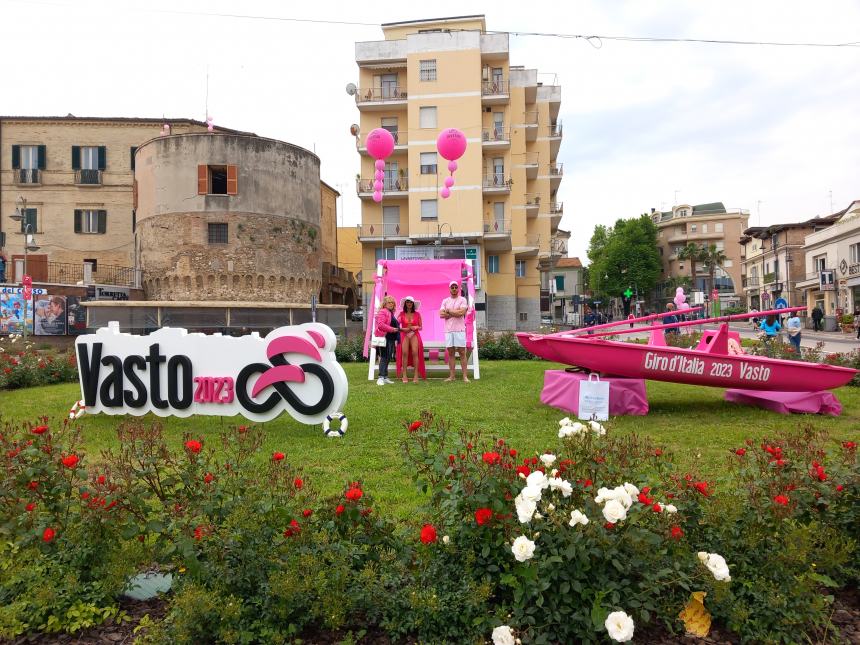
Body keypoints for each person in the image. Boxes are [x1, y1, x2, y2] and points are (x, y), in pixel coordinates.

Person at [440, 280, 469, 382]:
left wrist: (448, 311)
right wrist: (454, 313)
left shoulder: (463, 300)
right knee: (451, 353)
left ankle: (465, 376)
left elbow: (461, 313)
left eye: (456, 287)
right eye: (452, 287)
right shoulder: (445, 301)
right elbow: (441, 314)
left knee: (462, 352)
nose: (454, 289)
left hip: (459, 329)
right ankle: (452, 376)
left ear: (458, 288)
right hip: (448, 330)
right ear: (449, 289)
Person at [397, 295, 425, 383]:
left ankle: (416, 375)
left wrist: (416, 326)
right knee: (404, 353)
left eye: (411, 302)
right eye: (408, 302)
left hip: (414, 334)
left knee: (415, 352)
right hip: (404, 334)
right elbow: (396, 325)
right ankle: (404, 375)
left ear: (413, 304)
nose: (409, 304)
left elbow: (421, 327)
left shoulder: (417, 314)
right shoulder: (401, 314)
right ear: (405, 303)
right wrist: (402, 329)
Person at [373, 295, 400, 385]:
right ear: (385, 303)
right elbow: (380, 324)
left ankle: (385, 377)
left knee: (388, 358)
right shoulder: (383, 311)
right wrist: (392, 329)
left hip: (390, 338)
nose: (391, 304)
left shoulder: (390, 313)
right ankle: (380, 377)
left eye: (392, 302)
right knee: (384, 357)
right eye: (389, 302)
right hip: (384, 337)